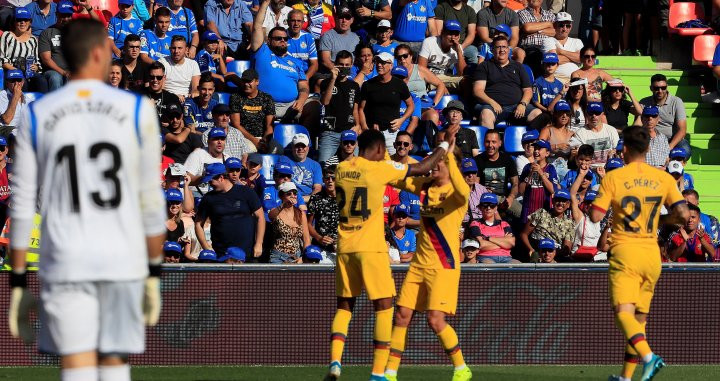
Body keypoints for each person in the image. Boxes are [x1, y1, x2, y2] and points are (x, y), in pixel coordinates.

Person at [8, 18, 166, 381]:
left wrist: (18, 281)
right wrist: (154, 273)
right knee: (113, 362)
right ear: (99, 53)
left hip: (66, 258)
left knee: (76, 365)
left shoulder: (37, 113)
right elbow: (151, 202)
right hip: (121, 258)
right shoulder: (138, 109)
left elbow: (21, 204)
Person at [327, 128, 454, 381]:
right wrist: (442, 146)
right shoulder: (379, 169)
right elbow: (422, 167)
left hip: (344, 247)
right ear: (377, 150)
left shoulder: (341, 169)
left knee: (344, 306)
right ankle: (377, 373)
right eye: (383, 150)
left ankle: (335, 361)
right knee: (384, 307)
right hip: (371, 248)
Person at [590, 126, 689, 381]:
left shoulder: (614, 178)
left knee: (623, 313)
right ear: (647, 149)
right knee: (639, 321)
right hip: (652, 255)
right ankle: (626, 377)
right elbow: (683, 215)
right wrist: (659, 221)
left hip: (626, 252)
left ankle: (649, 357)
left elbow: (595, 215)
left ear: (624, 149)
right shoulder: (664, 178)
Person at [384, 134, 473, 381]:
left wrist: (450, 156)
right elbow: (399, 179)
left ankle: (461, 368)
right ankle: (390, 373)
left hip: (443, 265)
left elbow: (464, 191)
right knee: (401, 314)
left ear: (449, 164)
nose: (433, 165)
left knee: (435, 320)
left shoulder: (456, 193)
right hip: (418, 264)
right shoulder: (424, 187)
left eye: (439, 162)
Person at [252, 0, 312, 123]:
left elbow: (304, 87)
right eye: (278, 38)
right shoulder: (262, 52)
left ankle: (303, 138)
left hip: (292, 105)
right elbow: (257, 26)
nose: (283, 41)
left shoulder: (296, 62)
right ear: (269, 40)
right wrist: (265, 3)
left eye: (285, 38)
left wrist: (301, 101)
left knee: (315, 106)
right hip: (267, 104)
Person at [195, 162, 265, 261]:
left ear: (221, 177)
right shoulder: (208, 198)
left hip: (247, 252)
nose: (210, 184)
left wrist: (258, 243)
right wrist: (206, 246)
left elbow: (260, 217)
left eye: (211, 181)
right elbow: (198, 224)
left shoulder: (246, 192)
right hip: (221, 254)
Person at [472, 35, 541, 128]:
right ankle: (491, 142)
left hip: (517, 106)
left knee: (538, 114)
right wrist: (492, 102)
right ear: (492, 50)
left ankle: (531, 141)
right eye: (498, 47)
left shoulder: (518, 66)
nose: (501, 50)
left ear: (508, 49)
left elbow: (528, 90)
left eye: (504, 47)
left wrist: (522, 104)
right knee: (486, 114)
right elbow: (478, 91)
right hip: (492, 107)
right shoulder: (484, 66)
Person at [318, 50, 360, 163]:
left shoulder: (354, 86)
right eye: (341, 64)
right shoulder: (326, 82)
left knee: (354, 168)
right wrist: (333, 78)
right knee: (324, 166)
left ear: (351, 65)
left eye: (347, 65)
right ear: (335, 64)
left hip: (349, 133)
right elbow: (325, 102)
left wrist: (358, 125)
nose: (344, 67)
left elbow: (355, 109)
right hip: (329, 132)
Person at [359, 52, 414, 134]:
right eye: (378, 62)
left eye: (383, 62)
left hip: (391, 132)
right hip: (372, 130)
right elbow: (361, 109)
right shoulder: (367, 85)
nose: (379, 65)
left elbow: (411, 105)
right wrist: (365, 127)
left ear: (391, 65)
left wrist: (402, 120)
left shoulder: (399, 84)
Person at [636, 74, 689, 155]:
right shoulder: (644, 102)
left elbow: (682, 130)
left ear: (667, 87)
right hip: (650, 139)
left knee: (685, 149)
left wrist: (669, 147)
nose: (660, 90)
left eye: (663, 88)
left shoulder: (676, 101)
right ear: (651, 88)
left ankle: (674, 166)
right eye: (656, 88)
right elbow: (638, 125)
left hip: (671, 140)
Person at [473, 129, 519, 217]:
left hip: (503, 199)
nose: (490, 145)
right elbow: (476, 185)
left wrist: (511, 198)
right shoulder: (478, 160)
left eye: (494, 142)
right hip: (484, 199)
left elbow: (515, 183)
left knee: (523, 215)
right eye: (487, 142)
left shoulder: (507, 159)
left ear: (500, 143)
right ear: (483, 143)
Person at [0, 7, 47, 93]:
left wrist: (36, 66)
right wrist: (14, 69)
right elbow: (2, 58)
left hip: (28, 71)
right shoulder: (7, 36)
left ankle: (43, 105)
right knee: (22, 81)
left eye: (26, 20)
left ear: (30, 22)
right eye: (19, 20)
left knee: (42, 81)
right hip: (12, 70)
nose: (22, 22)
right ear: (14, 22)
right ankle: (21, 105)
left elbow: (36, 59)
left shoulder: (33, 40)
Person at [520, 188, 575, 260]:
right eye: (558, 200)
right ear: (553, 201)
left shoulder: (570, 223)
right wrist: (531, 250)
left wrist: (550, 254)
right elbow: (523, 234)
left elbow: (566, 249)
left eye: (564, 201)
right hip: (536, 251)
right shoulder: (541, 213)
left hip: (555, 254)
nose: (560, 203)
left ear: (568, 205)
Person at [229, 69, 276, 153]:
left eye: (249, 81)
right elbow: (236, 124)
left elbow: (270, 126)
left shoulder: (266, 98)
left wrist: (264, 142)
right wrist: (254, 140)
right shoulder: (235, 97)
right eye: (244, 81)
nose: (246, 84)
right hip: (244, 137)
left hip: (263, 138)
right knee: (250, 150)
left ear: (257, 81)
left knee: (277, 150)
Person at [468, 192, 517, 264]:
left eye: (492, 205)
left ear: (496, 208)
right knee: (491, 267)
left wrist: (489, 239)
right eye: (485, 205)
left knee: (519, 266)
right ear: (480, 207)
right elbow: (480, 245)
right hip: (485, 257)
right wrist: (503, 244)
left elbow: (511, 243)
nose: (488, 208)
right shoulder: (475, 224)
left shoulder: (504, 224)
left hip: (506, 257)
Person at [268, 181, 311, 263]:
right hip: (278, 257)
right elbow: (271, 216)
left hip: (297, 257)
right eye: (289, 194)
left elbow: (306, 239)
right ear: (281, 196)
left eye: (295, 193)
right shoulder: (276, 212)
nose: (293, 196)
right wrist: (283, 205)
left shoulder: (301, 213)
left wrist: (303, 257)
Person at [418, 20, 466, 91]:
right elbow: (421, 69)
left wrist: (459, 52)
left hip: (444, 78)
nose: (453, 38)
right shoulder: (429, 42)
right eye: (450, 34)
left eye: (456, 34)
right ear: (442, 33)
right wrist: (440, 84)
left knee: (466, 81)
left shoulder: (458, 48)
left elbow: (461, 73)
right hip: (427, 78)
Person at [518, 139, 558, 223]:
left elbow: (552, 190)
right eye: (535, 148)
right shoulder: (527, 167)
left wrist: (541, 173)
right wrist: (530, 174)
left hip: (544, 212)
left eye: (539, 149)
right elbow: (521, 191)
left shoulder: (550, 168)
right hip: (528, 211)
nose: (536, 151)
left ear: (547, 153)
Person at [569, 165, 602, 262]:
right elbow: (572, 195)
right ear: (584, 203)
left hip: (596, 256)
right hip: (580, 257)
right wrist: (581, 175)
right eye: (588, 202)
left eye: (593, 203)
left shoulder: (600, 217)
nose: (590, 205)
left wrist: (603, 178)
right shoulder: (580, 216)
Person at [38, 0, 73, 91]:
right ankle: (55, 104)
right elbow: (46, 60)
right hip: (53, 71)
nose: (66, 19)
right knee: (56, 78)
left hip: (72, 70)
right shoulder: (47, 32)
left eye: (68, 16)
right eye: (63, 15)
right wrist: (64, 72)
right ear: (56, 14)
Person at [541, 12, 582, 84]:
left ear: (571, 27)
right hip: (556, 79)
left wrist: (561, 51)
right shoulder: (548, 41)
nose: (564, 29)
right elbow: (553, 60)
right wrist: (574, 58)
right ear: (555, 26)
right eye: (561, 25)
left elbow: (581, 58)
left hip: (576, 79)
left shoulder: (577, 41)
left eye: (568, 26)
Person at [573, 102, 619, 166]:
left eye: (597, 113)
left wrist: (614, 152)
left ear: (602, 114)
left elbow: (617, 150)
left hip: (609, 168)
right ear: (586, 114)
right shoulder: (580, 133)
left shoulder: (611, 130)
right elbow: (579, 158)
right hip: (588, 170)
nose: (594, 116)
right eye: (591, 113)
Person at [307, 165, 339, 256]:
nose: (330, 181)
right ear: (323, 180)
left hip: (344, 248)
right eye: (327, 178)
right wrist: (319, 238)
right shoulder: (316, 198)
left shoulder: (347, 199)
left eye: (333, 178)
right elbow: (307, 223)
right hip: (321, 249)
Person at [158, 35, 200, 101]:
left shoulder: (193, 64)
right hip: (168, 98)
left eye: (180, 48)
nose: (176, 51)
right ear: (170, 49)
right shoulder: (162, 62)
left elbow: (195, 87)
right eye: (174, 48)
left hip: (187, 99)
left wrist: (194, 93)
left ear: (186, 49)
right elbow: (160, 88)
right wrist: (174, 96)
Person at [539, 100, 574, 179]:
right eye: (561, 112)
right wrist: (556, 146)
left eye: (567, 113)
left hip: (566, 170)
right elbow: (539, 149)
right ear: (555, 114)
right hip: (549, 168)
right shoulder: (547, 130)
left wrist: (573, 154)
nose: (564, 116)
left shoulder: (572, 133)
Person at [319, 5, 360, 73]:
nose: (344, 21)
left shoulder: (356, 38)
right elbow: (325, 61)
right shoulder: (327, 36)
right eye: (341, 17)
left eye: (347, 18)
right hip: (331, 73)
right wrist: (341, 72)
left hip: (351, 74)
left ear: (352, 20)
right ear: (336, 18)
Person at [286, 9, 318, 79]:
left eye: (299, 21)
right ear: (288, 22)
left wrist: (305, 78)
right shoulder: (282, 37)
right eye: (293, 21)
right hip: (287, 74)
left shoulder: (308, 37)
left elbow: (314, 64)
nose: (296, 24)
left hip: (304, 74)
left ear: (303, 23)